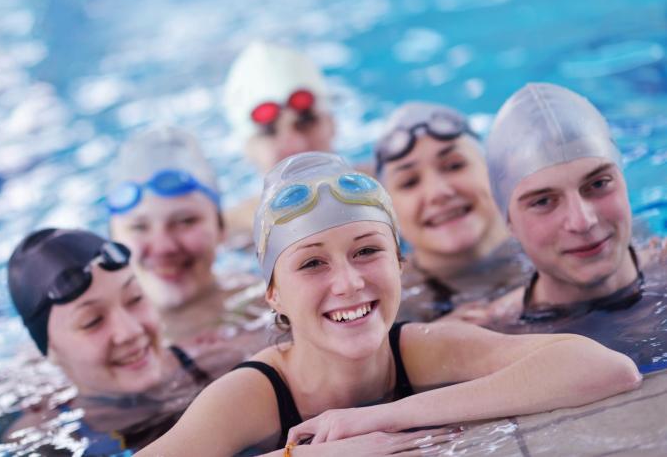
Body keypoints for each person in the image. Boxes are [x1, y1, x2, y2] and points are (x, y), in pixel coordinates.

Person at [139, 152, 641, 456]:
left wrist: (383, 417)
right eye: (312, 264)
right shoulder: (252, 394)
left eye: (367, 252)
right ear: (273, 292)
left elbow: (607, 369)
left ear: (401, 264)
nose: (349, 283)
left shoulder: (423, 348)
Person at [3, 228, 266, 453]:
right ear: (50, 350)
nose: (130, 331)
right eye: (92, 321)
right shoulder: (43, 440)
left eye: (135, 299)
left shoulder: (226, 360)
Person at [475, 82, 667, 368]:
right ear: (509, 221)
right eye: (543, 201)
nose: (582, 221)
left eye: (599, 183)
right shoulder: (493, 335)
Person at [106, 127, 269, 342]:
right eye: (139, 227)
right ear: (113, 239)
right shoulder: (87, 347)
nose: (163, 247)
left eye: (185, 222)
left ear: (221, 229)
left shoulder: (273, 310)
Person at [374, 102, 531, 322]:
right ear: (388, 213)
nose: (438, 192)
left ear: (496, 173)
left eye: (454, 165)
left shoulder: (562, 243)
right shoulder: (392, 307)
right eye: (410, 182)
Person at [222, 41, 339, 236]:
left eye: (307, 121)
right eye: (269, 131)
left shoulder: (390, 193)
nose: (297, 145)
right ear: (248, 149)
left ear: (332, 123)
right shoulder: (230, 233)